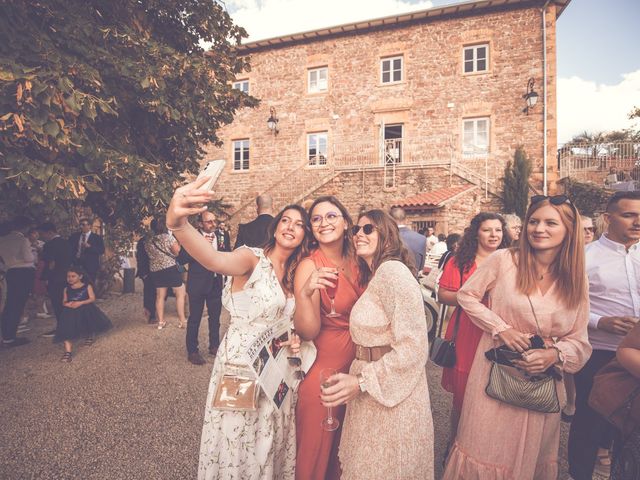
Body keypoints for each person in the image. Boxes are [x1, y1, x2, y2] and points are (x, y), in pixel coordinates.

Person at [165, 176, 310, 480]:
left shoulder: (293, 274)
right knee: (238, 442)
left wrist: (294, 336)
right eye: (286, 220)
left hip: (277, 370)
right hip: (241, 365)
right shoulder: (250, 258)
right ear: (276, 225)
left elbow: (288, 319)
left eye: (298, 224)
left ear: (304, 235)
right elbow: (214, 260)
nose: (290, 227)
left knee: (268, 441)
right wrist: (179, 224)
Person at [443, 195, 592, 479]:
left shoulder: (575, 277)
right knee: (485, 448)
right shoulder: (504, 260)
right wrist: (501, 328)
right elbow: (467, 295)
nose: (539, 229)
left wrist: (555, 354)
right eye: (533, 221)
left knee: (530, 457)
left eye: (550, 222)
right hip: (496, 369)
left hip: (542, 380)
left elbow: (579, 340)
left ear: (569, 230)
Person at [320, 209, 434, 479]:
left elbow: (414, 346)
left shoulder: (394, 272)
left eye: (368, 229)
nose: (359, 234)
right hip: (370, 390)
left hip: (392, 395)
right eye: (356, 230)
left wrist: (361, 382)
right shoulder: (377, 274)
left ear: (387, 235)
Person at [568, 191, 640, 480]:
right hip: (599, 350)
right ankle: (580, 473)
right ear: (608, 219)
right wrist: (600, 322)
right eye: (629, 215)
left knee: (631, 423)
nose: (638, 222)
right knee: (591, 418)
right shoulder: (584, 258)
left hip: (638, 353)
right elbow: (565, 306)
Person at [294, 196, 364, 480]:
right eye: (317, 218)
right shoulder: (309, 266)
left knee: (349, 448)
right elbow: (307, 331)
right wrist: (305, 293)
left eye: (332, 216)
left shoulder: (362, 258)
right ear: (312, 228)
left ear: (346, 222)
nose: (325, 222)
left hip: (362, 365)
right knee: (318, 446)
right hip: (327, 367)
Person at [438, 212, 510, 444]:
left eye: (498, 230)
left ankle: (485, 446)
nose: (493, 235)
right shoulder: (460, 261)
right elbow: (442, 295)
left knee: (495, 392)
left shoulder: (512, 260)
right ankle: (455, 444)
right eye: (487, 229)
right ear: (476, 233)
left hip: (500, 330)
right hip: (468, 331)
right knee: (464, 395)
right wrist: (471, 297)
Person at [181, 211, 223, 365]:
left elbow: (227, 254)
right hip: (197, 284)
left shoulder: (221, 235)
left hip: (216, 283)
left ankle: (214, 346)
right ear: (200, 224)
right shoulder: (193, 238)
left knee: (215, 318)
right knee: (194, 319)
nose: (213, 224)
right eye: (209, 222)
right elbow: (181, 258)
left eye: (214, 221)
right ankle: (192, 351)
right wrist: (200, 247)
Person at [54, 265, 112, 362]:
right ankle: (68, 352)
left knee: (87, 322)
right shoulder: (66, 289)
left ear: (80, 276)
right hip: (70, 310)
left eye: (73, 276)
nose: (70, 279)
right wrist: (67, 304)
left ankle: (89, 335)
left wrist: (80, 303)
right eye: (68, 276)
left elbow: (92, 298)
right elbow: (63, 301)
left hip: (85, 308)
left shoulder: (87, 286)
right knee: (65, 328)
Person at [0, 216, 36, 347]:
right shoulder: (22, 239)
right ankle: (10, 337)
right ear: (24, 227)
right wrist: (33, 252)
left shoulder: (2, 240)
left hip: (10, 272)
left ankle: (6, 335)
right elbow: (28, 258)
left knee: (10, 304)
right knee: (18, 304)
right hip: (23, 273)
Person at [145, 218, 187, 330]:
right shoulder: (168, 238)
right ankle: (182, 320)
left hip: (156, 270)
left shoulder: (148, 241)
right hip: (170, 269)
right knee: (180, 293)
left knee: (160, 296)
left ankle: (161, 322)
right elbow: (177, 251)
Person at [38, 222, 72, 338]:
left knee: (57, 304)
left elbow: (51, 264)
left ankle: (62, 329)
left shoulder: (49, 245)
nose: (42, 237)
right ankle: (71, 326)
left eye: (43, 234)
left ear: (50, 232)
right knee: (67, 302)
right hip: (67, 276)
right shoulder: (67, 243)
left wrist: (46, 277)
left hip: (55, 277)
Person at [389, 207, 426, 271]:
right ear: (406, 220)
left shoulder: (385, 237)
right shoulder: (421, 238)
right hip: (413, 278)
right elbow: (421, 267)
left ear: (389, 220)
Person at [135, 233, 157, 324]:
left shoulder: (157, 239)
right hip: (147, 271)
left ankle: (152, 312)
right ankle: (150, 314)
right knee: (150, 292)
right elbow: (140, 257)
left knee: (152, 292)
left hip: (154, 271)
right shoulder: (143, 241)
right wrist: (144, 273)